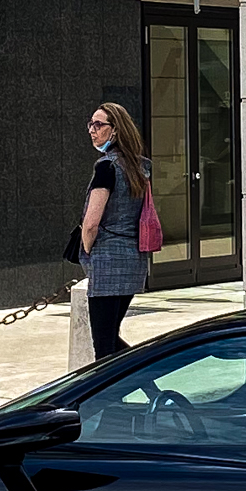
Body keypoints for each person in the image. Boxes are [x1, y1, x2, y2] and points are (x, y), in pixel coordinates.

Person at [79, 100, 152, 356]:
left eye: (98, 124)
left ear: (116, 130)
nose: (92, 129)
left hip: (107, 262)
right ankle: (149, 383)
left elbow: (91, 223)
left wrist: (87, 253)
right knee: (110, 339)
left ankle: (142, 375)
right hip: (134, 260)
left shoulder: (106, 167)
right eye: (90, 124)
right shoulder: (140, 167)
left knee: (103, 346)